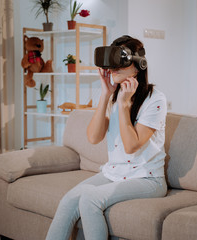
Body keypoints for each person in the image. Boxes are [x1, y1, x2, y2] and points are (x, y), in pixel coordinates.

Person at [46, 35, 167, 240]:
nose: (113, 69)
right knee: (68, 200)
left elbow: (131, 146)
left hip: (147, 179)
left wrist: (124, 104)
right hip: (114, 173)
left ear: (138, 65)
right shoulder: (113, 95)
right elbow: (93, 137)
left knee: (90, 198)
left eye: (120, 61)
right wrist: (105, 94)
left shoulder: (155, 100)